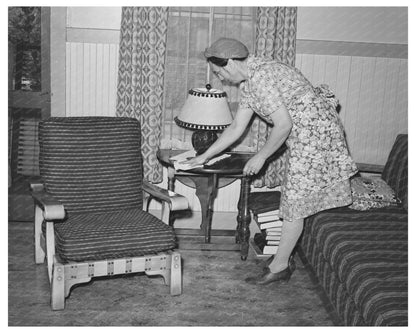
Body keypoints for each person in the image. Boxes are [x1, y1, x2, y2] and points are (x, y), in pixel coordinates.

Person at [184, 37, 358, 285]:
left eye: (218, 71)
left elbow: (283, 125)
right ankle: (282, 260)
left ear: (231, 63)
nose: (219, 78)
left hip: (316, 139)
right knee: (295, 200)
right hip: (309, 136)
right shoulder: (251, 79)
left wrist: (261, 157)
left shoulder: (261, 78)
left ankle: (280, 266)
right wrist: (203, 156)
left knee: (294, 202)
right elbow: (236, 128)